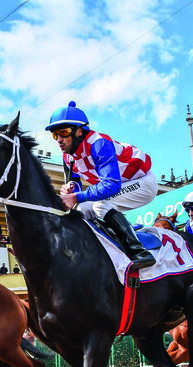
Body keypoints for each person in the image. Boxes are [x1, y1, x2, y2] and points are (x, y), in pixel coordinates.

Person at [46, 101, 156, 270]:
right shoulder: (67, 155)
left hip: (141, 182)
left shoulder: (99, 143)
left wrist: (75, 196)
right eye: (55, 135)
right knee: (81, 210)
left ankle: (139, 252)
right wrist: (71, 189)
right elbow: (76, 183)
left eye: (64, 132)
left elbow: (111, 186)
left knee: (101, 204)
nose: (59, 139)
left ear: (79, 131)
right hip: (118, 186)